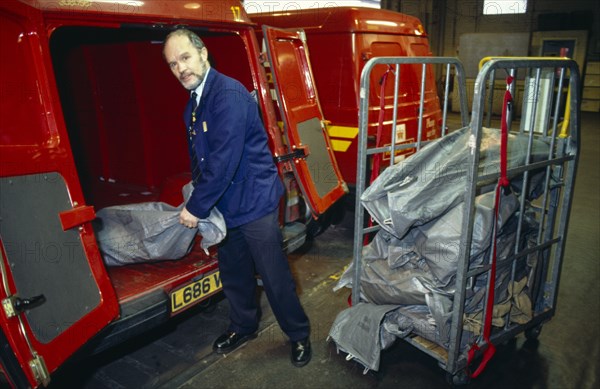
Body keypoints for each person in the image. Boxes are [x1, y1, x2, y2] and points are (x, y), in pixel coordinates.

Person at [163, 28, 311, 367]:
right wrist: (198, 196)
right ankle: (243, 326)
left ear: (203, 54)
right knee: (234, 273)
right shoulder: (194, 106)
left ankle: (298, 334)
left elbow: (224, 160)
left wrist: (195, 208)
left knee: (273, 276)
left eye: (185, 57)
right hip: (226, 206)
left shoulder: (227, 95)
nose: (180, 68)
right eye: (173, 64)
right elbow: (200, 161)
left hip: (254, 201)